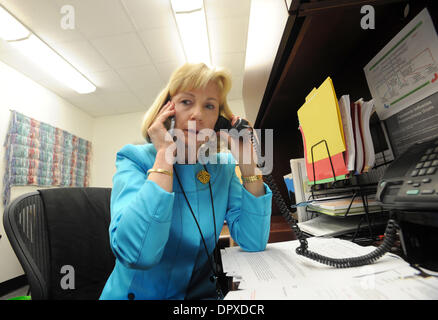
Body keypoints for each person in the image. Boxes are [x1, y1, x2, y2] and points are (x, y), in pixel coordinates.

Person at [99, 63, 272, 300]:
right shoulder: (134, 159)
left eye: (209, 106)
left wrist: (248, 165)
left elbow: (253, 241)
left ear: (219, 122)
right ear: (166, 112)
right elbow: (136, 255)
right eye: (186, 102)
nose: (197, 115)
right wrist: (164, 157)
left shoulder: (221, 169)